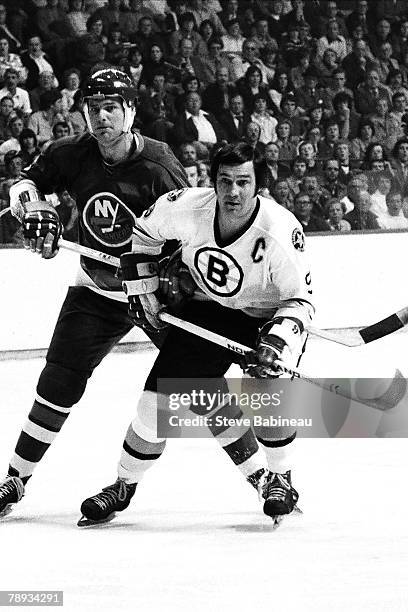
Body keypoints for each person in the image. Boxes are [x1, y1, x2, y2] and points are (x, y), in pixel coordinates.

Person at [78, 142, 315, 527]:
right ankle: (123, 484)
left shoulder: (280, 231)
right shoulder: (187, 207)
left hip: (266, 316)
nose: (233, 192)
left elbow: (300, 302)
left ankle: (281, 478)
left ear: (259, 185)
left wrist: (278, 344)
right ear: (213, 181)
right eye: (225, 181)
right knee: (153, 409)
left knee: (266, 392)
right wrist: (143, 287)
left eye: (243, 182)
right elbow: (145, 232)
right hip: (209, 310)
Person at [0, 68, 188, 518]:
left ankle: (267, 475)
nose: (101, 117)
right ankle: (15, 479)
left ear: (131, 112)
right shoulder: (70, 153)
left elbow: (192, 235)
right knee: (57, 382)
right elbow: (26, 185)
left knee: (195, 380)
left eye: (111, 108)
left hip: (153, 293)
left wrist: (171, 283)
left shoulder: (160, 166)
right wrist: (34, 210)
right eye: (93, 109)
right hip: (97, 291)